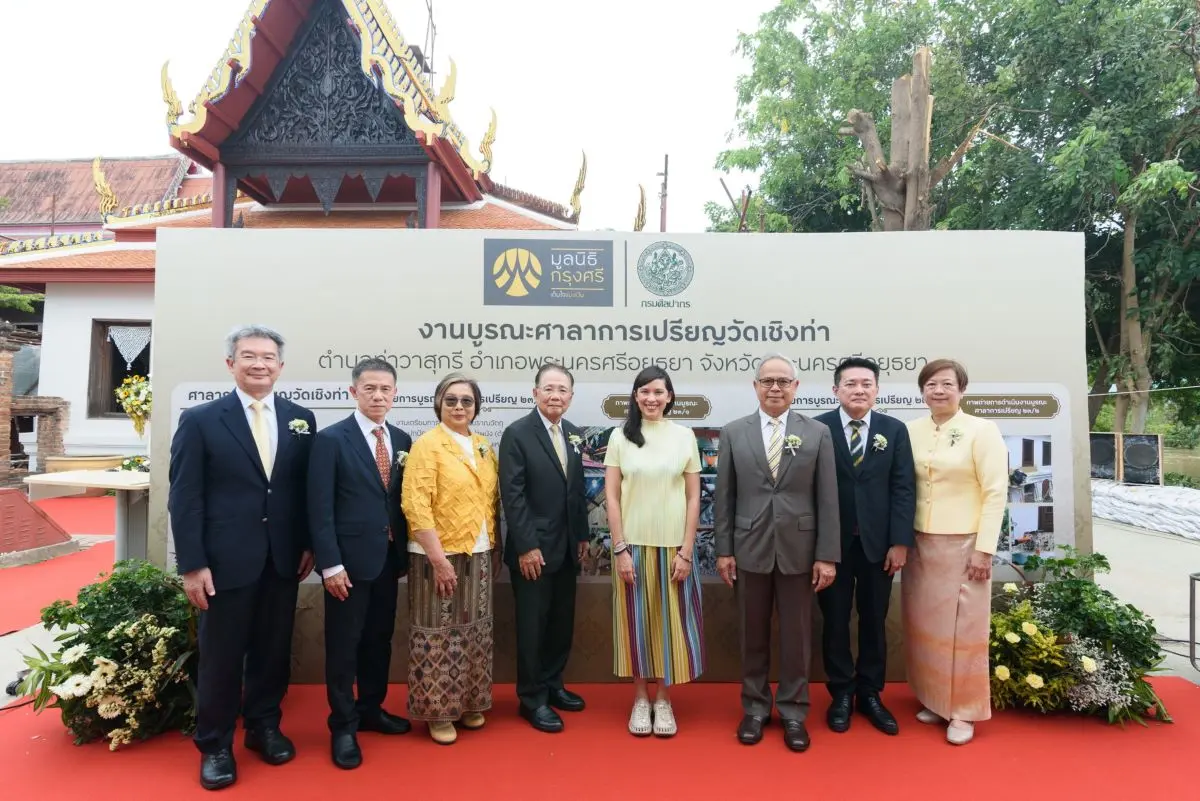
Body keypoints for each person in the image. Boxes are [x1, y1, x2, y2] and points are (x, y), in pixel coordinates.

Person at [168, 325, 316, 791]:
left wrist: (310, 543)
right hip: (224, 562)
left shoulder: (300, 418)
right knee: (222, 656)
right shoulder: (201, 420)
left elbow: (302, 491)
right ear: (230, 363)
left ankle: (263, 727)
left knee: (273, 652)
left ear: (280, 367)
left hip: (283, 559)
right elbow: (185, 497)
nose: (259, 364)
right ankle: (214, 744)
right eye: (249, 355)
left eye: (268, 357)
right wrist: (192, 563)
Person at [713, 353, 839, 753]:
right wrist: (724, 550)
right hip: (748, 549)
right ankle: (753, 709)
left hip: (800, 552)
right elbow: (725, 497)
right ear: (755, 386)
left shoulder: (817, 433)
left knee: (797, 637)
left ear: (796, 387)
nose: (775, 388)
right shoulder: (734, 432)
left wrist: (826, 555)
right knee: (752, 633)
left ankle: (794, 712)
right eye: (767, 381)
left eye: (783, 381)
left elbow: (828, 499)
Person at [307, 357, 412, 769]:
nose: (378, 396)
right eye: (370, 388)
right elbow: (319, 508)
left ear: (395, 394)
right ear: (353, 392)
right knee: (344, 645)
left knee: (378, 640)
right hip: (346, 567)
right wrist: (330, 564)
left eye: (385, 389)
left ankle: (371, 709)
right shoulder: (332, 440)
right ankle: (343, 725)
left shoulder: (402, 438)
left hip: (387, 561)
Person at [903, 358, 1007, 746]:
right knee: (927, 627)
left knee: (963, 631)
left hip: (965, 543)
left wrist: (984, 549)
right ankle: (936, 699)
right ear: (922, 391)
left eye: (947, 384)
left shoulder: (982, 430)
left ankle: (963, 711)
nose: (939, 390)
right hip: (919, 542)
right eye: (931, 384)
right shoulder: (910, 430)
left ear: (962, 389)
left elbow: (996, 492)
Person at [814, 357, 915, 736]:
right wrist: (817, 547)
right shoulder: (817, 428)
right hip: (832, 546)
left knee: (874, 620)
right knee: (835, 621)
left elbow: (904, 489)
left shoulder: (894, 429)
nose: (859, 390)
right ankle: (840, 693)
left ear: (877, 390)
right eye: (851, 383)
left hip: (879, 547)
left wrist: (900, 541)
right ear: (835, 389)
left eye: (866, 384)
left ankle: (871, 693)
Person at [603, 366, 705, 737]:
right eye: (644, 391)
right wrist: (619, 548)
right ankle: (640, 698)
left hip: (674, 548)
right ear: (635, 396)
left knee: (668, 624)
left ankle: (663, 698)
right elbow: (612, 497)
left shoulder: (684, 436)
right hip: (633, 548)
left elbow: (694, 497)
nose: (651, 398)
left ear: (670, 397)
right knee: (636, 624)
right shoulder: (620, 437)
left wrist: (687, 550)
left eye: (658, 392)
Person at [400, 372, 501, 745]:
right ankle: (438, 710)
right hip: (436, 555)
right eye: (451, 400)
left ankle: (470, 702)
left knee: (475, 628)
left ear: (477, 406)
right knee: (437, 633)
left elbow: (492, 500)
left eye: (467, 401)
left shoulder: (483, 445)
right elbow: (415, 503)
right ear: (439, 404)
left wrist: (493, 547)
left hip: (479, 551)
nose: (459, 406)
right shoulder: (428, 445)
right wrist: (439, 559)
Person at [498, 363, 590, 733]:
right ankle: (531, 698)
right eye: (549, 388)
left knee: (560, 623)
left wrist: (582, 535)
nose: (556, 395)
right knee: (533, 626)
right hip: (532, 551)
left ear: (570, 396)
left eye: (563, 390)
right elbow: (513, 495)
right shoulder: (517, 434)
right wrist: (526, 546)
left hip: (567, 547)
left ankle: (553, 684)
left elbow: (578, 490)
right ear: (535, 392)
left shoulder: (572, 433)